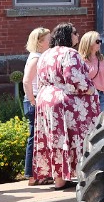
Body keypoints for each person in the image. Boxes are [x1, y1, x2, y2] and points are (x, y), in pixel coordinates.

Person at [33, 23, 96, 190]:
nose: (78, 35)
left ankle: (59, 180)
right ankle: (82, 175)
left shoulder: (46, 54)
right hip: (64, 102)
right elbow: (74, 78)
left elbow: (39, 79)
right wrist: (90, 89)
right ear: (67, 35)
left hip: (46, 100)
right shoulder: (70, 53)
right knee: (77, 138)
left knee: (53, 139)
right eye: (75, 33)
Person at [22, 27, 50, 185]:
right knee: (34, 138)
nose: (50, 41)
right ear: (40, 42)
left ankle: (38, 174)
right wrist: (32, 100)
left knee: (39, 138)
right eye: (48, 39)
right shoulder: (36, 58)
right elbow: (26, 81)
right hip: (35, 101)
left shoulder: (39, 56)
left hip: (37, 99)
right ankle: (32, 175)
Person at [79, 31, 104, 118]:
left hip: (102, 95)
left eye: (100, 41)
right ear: (89, 42)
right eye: (97, 41)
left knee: (100, 120)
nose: (100, 43)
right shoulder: (81, 60)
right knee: (89, 120)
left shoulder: (101, 58)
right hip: (89, 95)